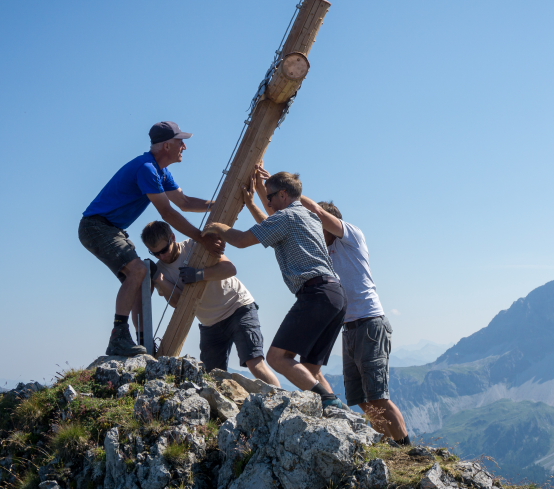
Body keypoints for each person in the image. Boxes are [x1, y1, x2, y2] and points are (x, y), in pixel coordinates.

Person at [203, 171, 348, 409]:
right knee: (308, 370)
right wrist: (250, 203)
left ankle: (330, 403)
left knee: (277, 358)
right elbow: (269, 227)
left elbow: (240, 240)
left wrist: (219, 227)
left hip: (315, 293)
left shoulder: (286, 217)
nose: (267, 202)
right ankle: (331, 410)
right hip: (336, 295)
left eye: (269, 197)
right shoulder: (307, 216)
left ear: (283, 194)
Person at [79, 121, 224, 357]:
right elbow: (167, 212)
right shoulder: (146, 168)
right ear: (167, 145)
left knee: (142, 278)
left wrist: (219, 205)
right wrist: (201, 237)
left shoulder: (160, 171)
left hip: (111, 229)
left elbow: (184, 203)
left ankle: (142, 343)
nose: (184, 147)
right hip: (97, 227)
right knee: (138, 272)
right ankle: (118, 338)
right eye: (180, 142)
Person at [296, 191, 411, 446]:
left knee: (378, 396)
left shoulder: (351, 238)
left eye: (318, 227)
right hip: (349, 328)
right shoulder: (323, 252)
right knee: (362, 398)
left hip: (369, 323)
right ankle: (390, 447)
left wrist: (290, 191)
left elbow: (316, 211)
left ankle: (407, 450)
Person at [140, 220, 280, 386]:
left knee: (254, 363)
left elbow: (230, 269)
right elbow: (177, 303)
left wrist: (199, 274)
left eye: (164, 250)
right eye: (155, 253)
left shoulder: (196, 246)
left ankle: (283, 406)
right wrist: (159, 279)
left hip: (237, 307)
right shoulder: (160, 270)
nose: (162, 256)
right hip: (209, 323)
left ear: (172, 237)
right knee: (212, 378)